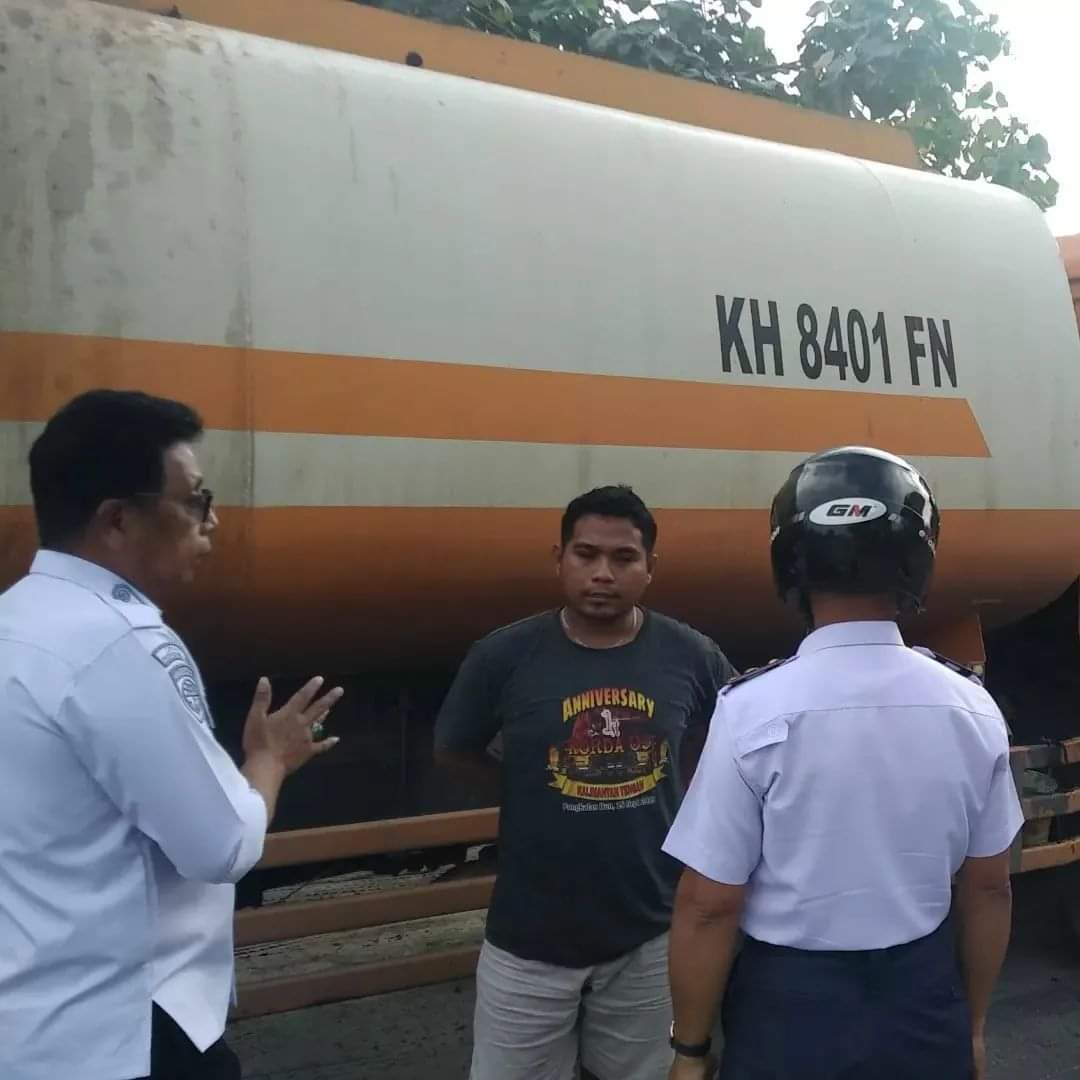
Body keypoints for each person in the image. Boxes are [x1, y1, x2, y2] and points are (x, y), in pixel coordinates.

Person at [0, 390, 344, 1080]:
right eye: (195, 500)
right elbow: (221, 845)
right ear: (118, 520)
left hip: (33, 1022)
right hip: (128, 1030)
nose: (212, 520)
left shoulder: (16, 619)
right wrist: (268, 760)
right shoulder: (121, 643)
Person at [662, 446, 1024, 1080]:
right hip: (923, 999)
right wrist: (969, 1029)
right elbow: (989, 887)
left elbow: (708, 905)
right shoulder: (972, 708)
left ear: (789, 559)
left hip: (789, 1012)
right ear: (917, 557)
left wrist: (690, 1050)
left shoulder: (752, 709)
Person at [434, 484, 737, 1080]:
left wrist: (677, 783)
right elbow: (454, 750)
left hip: (649, 937)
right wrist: (527, 789)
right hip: (527, 943)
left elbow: (731, 729)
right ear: (559, 559)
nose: (603, 573)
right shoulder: (503, 656)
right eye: (586, 554)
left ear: (650, 567)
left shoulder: (690, 654)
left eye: (623, 558)